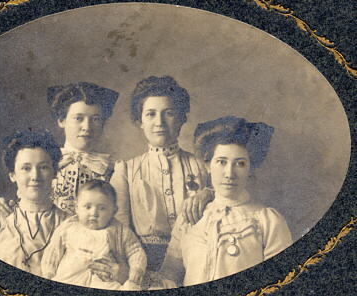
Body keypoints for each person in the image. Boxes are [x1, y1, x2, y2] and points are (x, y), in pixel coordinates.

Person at [158, 116, 293, 287]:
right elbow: (169, 274)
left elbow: (280, 282)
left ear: (251, 168)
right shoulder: (190, 215)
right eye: (221, 162)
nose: (229, 173)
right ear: (207, 165)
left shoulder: (268, 221)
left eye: (240, 164)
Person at [110, 76, 211, 272]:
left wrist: (209, 192)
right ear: (140, 121)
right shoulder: (126, 171)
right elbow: (119, 232)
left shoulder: (202, 165)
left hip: (198, 258)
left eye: (169, 113)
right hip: (145, 264)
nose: (159, 122)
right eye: (150, 114)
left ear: (182, 118)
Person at [0, 82, 119, 217]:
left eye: (96, 119)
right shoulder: (41, 160)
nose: (87, 127)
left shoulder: (113, 168)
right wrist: (3, 208)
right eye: (78, 118)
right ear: (61, 120)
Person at [0, 130, 68, 277]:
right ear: (13, 175)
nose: (35, 176)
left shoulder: (70, 225)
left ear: (55, 172)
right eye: (26, 168)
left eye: (43, 167)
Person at [41, 180, 147, 290]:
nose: (94, 213)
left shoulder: (119, 231)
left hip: (104, 280)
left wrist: (137, 269)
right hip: (71, 277)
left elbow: (135, 251)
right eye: (87, 207)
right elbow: (53, 252)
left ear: (114, 211)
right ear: (77, 207)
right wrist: (48, 273)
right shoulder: (68, 227)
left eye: (102, 208)